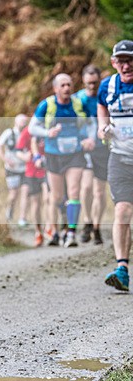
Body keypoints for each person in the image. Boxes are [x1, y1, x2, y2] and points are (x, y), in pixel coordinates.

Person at [28, 73, 94, 247]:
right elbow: (32, 127)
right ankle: (55, 233)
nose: (67, 88)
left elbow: (91, 122)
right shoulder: (47, 105)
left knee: (73, 191)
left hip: (75, 154)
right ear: (56, 88)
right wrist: (47, 133)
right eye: (63, 85)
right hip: (53, 154)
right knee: (55, 197)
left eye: (69, 85)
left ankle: (71, 232)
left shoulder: (78, 104)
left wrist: (90, 139)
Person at [98, 40, 133, 292]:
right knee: (122, 210)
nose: (126, 65)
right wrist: (103, 128)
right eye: (121, 60)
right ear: (113, 63)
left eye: (130, 59)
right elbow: (101, 108)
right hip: (120, 158)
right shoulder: (107, 86)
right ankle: (122, 269)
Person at [75, 64, 109, 245]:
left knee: (99, 191)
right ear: (83, 81)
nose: (92, 86)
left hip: (103, 149)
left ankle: (96, 226)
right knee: (86, 187)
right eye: (89, 83)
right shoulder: (77, 99)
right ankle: (87, 220)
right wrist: (81, 140)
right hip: (85, 149)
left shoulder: (105, 96)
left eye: (95, 83)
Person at [15, 123, 48, 246]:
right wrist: (24, 157)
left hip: (48, 170)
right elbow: (18, 150)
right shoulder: (28, 131)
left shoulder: (51, 127)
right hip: (32, 172)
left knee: (48, 199)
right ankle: (38, 231)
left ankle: (49, 227)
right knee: (36, 203)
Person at [0, 114, 28, 224]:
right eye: (21, 122)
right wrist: (6, 160)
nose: (23, 124)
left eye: (25, 122)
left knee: (25, 192)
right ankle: (9, 211)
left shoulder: (28, 134)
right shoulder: (9, 133)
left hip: (25, 168)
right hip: (12, 168)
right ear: (16, 122)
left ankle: (22, 218)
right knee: (13, 194)